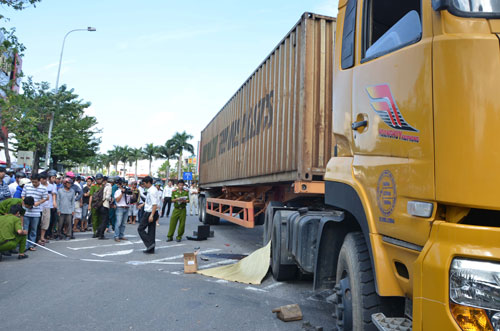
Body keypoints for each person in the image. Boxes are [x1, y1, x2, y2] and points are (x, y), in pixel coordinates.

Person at [22, 174, 48, 251]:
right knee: (25, 229)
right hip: (26, 212)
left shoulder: (43, 188)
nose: (34, 183)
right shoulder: (27, 186)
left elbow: (45, 198)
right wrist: (26, 202)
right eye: (33, 182)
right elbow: (22, 196)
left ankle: (31, 245)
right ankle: (24, 245)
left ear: (39, 180)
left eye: (35, 182)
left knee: (34, 229)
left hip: (36, 212)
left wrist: (39, 202)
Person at [137, 176, 159, 254]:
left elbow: (154, 204)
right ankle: (151, 249)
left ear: (148, 183)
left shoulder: (152, 191)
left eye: (144, 183)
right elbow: (148, 201)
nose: (144, 185)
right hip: (152, 211)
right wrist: (142, 205)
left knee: (140, 229)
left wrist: (151, 215)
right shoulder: (151, 190)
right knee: (151, 231)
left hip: (150, 212)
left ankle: (150, 244)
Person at [39, 173, 56, 245]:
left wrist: (54, 202)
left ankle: (42, 237)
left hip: (47, 206)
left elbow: (53, 194)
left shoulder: (51, 186)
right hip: (38, 206)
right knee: (39, 223)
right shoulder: (38, 186)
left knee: (46, 222)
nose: (43, 180)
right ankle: (38, 238)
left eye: (44, 179)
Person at [46, 170, 59, 239]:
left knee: (52, 221)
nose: (54, 179)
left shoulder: (54, 185)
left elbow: (54, 194)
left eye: (55, 178)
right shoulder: (46, 184)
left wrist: (54, 203)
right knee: (47, 220)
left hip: (52, 205)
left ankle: (50, 233)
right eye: (53, 177)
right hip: (46, 205)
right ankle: (46, 234)